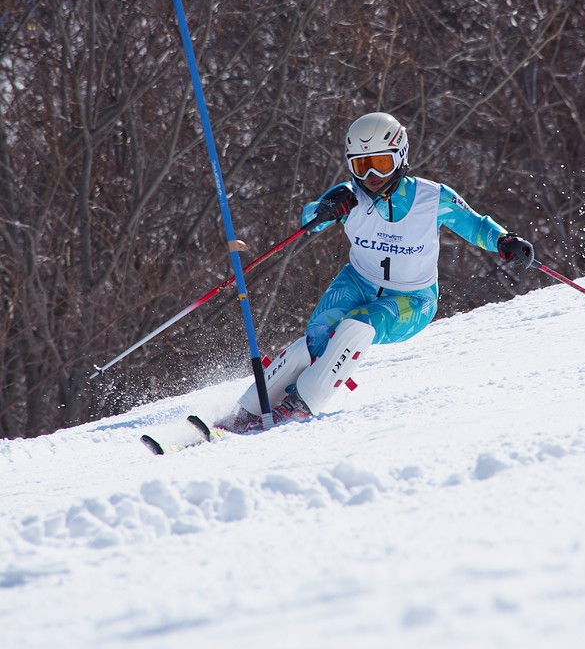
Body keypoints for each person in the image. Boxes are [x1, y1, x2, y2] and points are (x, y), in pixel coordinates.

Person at [222, 111, 534, 433]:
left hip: (412, 300)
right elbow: (309, 220)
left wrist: (503, 240)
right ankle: (247, 410)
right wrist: (327, 208)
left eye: (381, 164)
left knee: (357, 324)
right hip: (357, 280)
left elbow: (475, 224)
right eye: (361, 165)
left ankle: (299, 407)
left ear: (400, 156)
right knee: (318, 334)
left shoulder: (432, 197)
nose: (372, 175)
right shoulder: (349, 196)